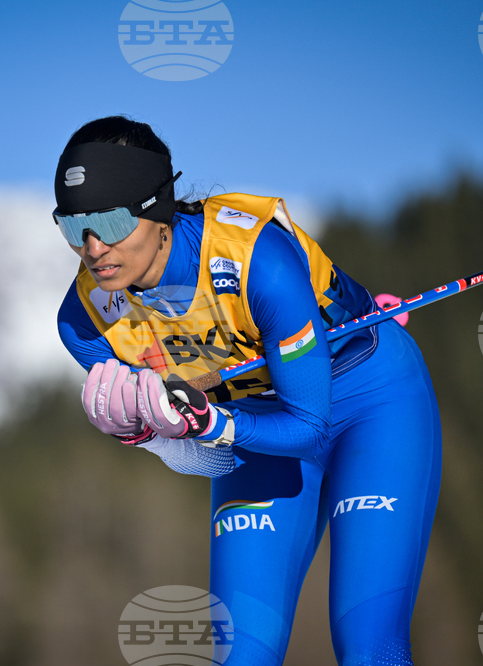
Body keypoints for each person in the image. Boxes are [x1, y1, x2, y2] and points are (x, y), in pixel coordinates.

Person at [55, 116, 442, 666]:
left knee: (369, 647)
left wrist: (215, 425)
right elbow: (206, 462)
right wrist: (157, 436)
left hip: (370, 402)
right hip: (258, 430)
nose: (93, 248)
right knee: (243, 655)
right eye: (73, 227)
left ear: (158, 208)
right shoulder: (85, 322)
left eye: (112, 222)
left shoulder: (259, 262)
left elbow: (311, 427)